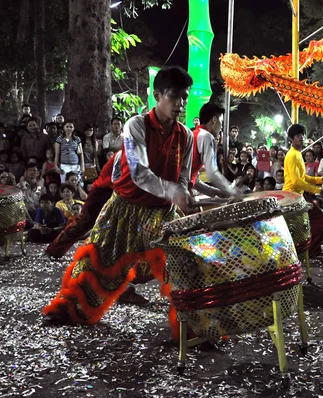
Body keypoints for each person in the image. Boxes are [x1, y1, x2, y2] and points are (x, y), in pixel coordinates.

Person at [43, 66, 195, 339]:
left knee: (183, 263)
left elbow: (183, 175)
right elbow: (138, 173)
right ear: (157, 95)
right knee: (98, 262)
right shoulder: (136, 125)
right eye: (175, 97)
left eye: (184, 97)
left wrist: (182, 195)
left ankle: (197, 325)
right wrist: (174, 191)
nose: (181, 104)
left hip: (162, 212)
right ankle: (69, 311)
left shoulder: (187, 135)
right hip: (124, 207)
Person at [283, 124, 323, 258]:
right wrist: (319, 190)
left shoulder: (297, 154)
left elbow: (303, 178)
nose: (301, 138)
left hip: (298, 195)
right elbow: (296, 181)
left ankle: (309, 250)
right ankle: (312, 251)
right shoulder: (292, 155)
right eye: (298, 136)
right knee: (319, 219)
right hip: (292, 196)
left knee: (314, 220)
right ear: (292, 139)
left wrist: (320, 179)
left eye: (302, 135)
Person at [190, 102, 239, 198]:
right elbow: (212, 172)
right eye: (221, 122)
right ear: (214, 120)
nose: (221, 127)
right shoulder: (206, 136)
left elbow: (191, 177)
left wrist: (215, 192)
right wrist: (233, 192)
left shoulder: (195, 134)